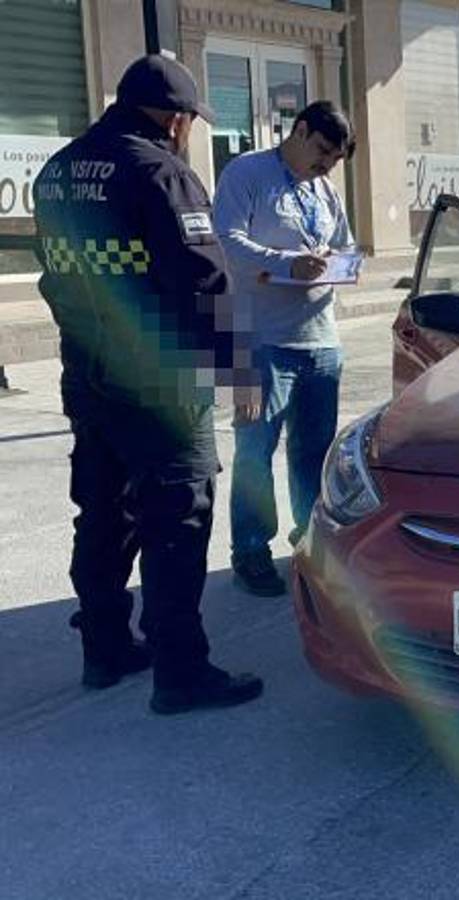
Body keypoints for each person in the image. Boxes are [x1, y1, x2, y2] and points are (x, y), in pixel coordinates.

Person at [33, 54, 263, 714]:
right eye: (190, 119)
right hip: (161, 387)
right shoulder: (160, 172)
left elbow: (56, 279)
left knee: (104, 514)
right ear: (174, 118)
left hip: (90, 377)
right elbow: (203, 284)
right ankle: (182, 672)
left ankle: (105, 650)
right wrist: (238, 369)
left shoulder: (58, 173)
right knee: (177, 522)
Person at [214, 102, 356, 597]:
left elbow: (345, 246)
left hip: (320, 340)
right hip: (261, 340)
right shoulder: (247, 173)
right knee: (255, 452)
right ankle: (250, 551)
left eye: (334, 160)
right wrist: (286, 265)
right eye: (322, 151)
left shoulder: (325, 189)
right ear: (300, 130)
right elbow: (225, 242)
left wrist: (339, 263)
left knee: (313, 454)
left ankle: (309, 544)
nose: (326, 165)